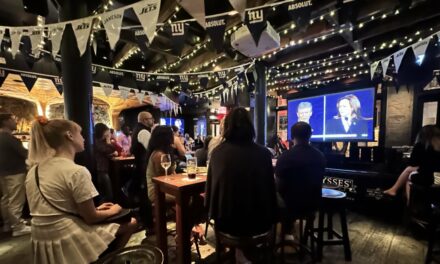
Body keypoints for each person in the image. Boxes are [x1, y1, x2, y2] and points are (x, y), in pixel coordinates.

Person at [26, 117, 137, 264]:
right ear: (69, 136)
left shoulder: (33, 171)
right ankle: (107, 260)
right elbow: (91, 217)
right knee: (132, 222)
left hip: (42, 239)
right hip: (67, 236)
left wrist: (96, 209)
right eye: (80, 133)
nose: (84, 138)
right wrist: (114, 210)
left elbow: (55, 209)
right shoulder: (76, 171)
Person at [205, 107, 277, 238]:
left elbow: (211, 194)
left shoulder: (217, 153)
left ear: (227, 126)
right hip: (260, 223)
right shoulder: (264, 154)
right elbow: (270, 192)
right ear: (251, 126)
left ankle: (239, 254)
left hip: (226, 224)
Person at [145, 125, 205, 241]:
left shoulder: (162, 152)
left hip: (166, 187)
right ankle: (186, 232)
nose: (174, 137)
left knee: (196, 198)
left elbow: (170, 177)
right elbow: (164, 179)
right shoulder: (159, 155)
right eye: (171, 135)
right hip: (157, 191)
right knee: (193, 198)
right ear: (166, 137)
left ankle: (188, 228)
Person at [275, 122, 326, 235]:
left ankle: (284, 233)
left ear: (292, 137)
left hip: (290, 206)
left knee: (272, 194)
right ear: (310, 136)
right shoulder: (320, 156)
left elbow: (279, 187)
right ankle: (292, 232)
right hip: (312, 205)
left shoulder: (285, 157)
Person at [384, 125, 440, 197]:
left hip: (428, 178)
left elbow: (412, 163)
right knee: (409, 171)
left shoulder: (420, 145)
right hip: (436, 178)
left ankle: (409, 203)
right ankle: (394, 190)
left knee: (409, 176)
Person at [0, 113, 31, 236]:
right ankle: (18, 227)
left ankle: (8, 224)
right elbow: (25, 153)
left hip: (3, 172)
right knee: (16, 200)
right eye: (13, 119)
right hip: (15, 172)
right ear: (6, 122)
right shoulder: (9, 138)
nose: (16, 122)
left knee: (6, 199)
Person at [130, 111, 155, 231]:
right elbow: (152, 149)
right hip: (143, 168)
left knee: (144, 195)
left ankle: (148, 222)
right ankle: (149, 224)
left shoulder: (137, 130)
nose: (153, 120)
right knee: (145, 196)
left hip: (140, 167)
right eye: (151, 118)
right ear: (145, 120)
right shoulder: (143, 131)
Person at [94, 123, 118, 202]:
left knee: (108, 193)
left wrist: (111, 153)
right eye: (107, 131)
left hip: (104, 169)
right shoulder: (97, 142)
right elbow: (108, 150)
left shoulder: (100, 142)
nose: (109, 134)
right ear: (103, 132)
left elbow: (110, 151)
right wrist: (108, 141)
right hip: (101, 170)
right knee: (108, 195)